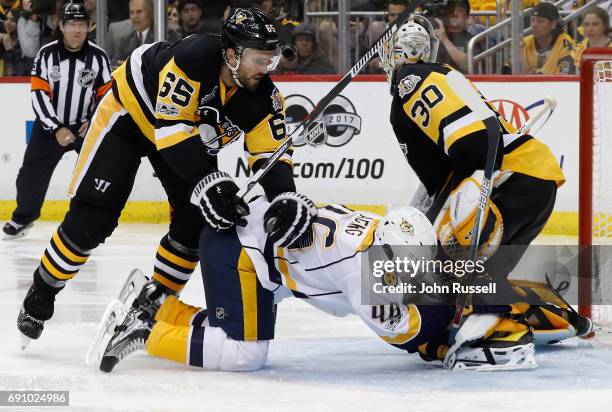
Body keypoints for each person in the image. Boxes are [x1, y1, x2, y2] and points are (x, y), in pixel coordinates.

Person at [16, 8, 313, 348]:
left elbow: (270, 157)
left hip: (183, 135)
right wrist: (210, 181)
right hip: (131, 114)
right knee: (91, 221)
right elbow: (171, 131)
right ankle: (42, 290)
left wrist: (286, 196)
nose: (267, 69)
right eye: (260, 60)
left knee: (194, 225)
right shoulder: (194, 58)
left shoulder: (262, 95)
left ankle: (152, 303)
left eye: (271, 60)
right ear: (232, 54)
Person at [98, 198, 591, 373]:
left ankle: (155, 306)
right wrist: (448, 334)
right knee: (247, 354)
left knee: (239, 332)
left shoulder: (385, 232)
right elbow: (409, 334)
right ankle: (147, 331)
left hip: (258, 258)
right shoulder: (365, 272)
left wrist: (466, 288)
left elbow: (428, 277)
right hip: (241, 257)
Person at [2, 1, 111, 239]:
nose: (77, 30)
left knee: (92, 175)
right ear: (61, 26)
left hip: (84, 127)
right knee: (30, 174)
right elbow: (38, 94)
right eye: (71, 24)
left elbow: (106, 97)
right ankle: (24, 217)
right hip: (49, 127)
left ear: (90, 26)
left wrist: (92, 122)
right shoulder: (46, 54)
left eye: (82, 24)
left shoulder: (98, 57)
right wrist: (55, 128)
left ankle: (85, 222)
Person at [522, 2, 576, 75]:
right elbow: (509, 72)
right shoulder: (525, 42)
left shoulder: (565, 43)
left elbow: (565, 75)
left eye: (540, 21)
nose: (534, 25)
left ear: (553, 24)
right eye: (532, 20)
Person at [432, 0, 483, 74]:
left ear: (467, 17)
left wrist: (445, 40)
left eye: (460, 11)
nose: (454, 13)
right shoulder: (433, 37)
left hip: (462, 82)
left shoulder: (473, 40)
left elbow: (469, 66)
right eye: (451, 10)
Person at [108, 0, 154, 67]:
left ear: (151, 13)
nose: (134, 17)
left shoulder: (161, 36)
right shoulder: (125, 40)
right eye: (132, 12)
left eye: (139, 12)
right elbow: (115, 65)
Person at [0, 9, 29, 75]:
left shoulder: (26, 43)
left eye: (12, 20)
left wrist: (10, 49)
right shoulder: (1, 39)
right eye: (6, 19)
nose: (8, 22)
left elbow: (20, 70)